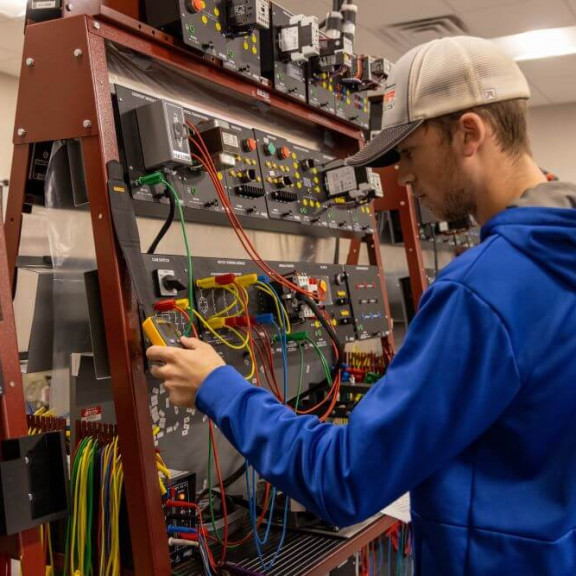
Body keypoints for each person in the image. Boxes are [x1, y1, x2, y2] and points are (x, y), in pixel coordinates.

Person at [147, 36, 576, 574]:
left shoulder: (481, 291)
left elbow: (345, 480)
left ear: (469, 133)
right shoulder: (559, 257)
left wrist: (217, 386)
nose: (403, 177)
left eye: (411, 153)